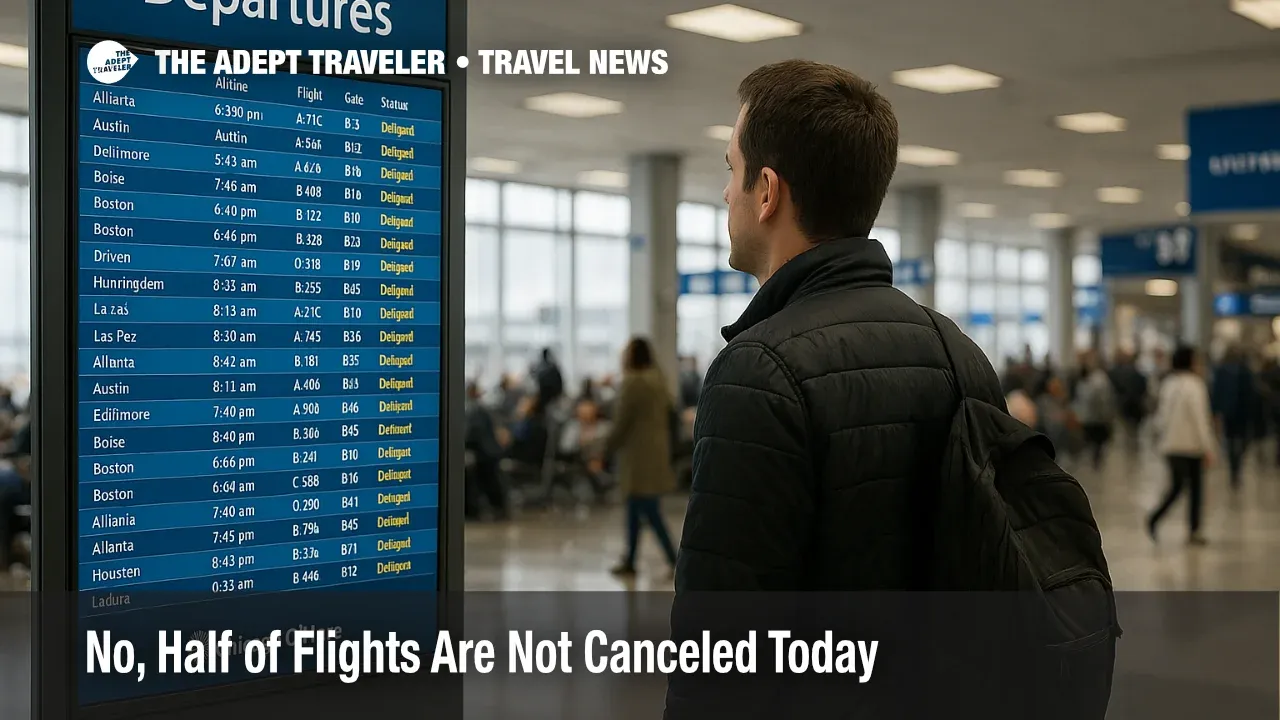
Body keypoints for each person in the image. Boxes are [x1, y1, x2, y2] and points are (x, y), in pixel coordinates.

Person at [674, 60, 1005, 592]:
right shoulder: (959, 352)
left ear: (767, 192)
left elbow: (723, 641)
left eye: (732, 169)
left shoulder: (760, 371)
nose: (725, 193)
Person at [591, 337, 678, 577]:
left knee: (648, 510)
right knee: (635, 508)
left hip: (638, 456)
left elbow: (621, 424)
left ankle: (675, 559)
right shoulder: (658, 381)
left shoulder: (632, 383)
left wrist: (604, 451)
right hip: (656, 452)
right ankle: (630, 560)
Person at [1148, 346, 1216, 545]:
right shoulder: (1196, 385)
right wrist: (1208, 447)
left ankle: (1159, 519)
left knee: (1178, 486)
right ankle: (1190, 529)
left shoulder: (1168, 384)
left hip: (1171, 445)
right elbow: (1200, 420)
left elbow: (1161, 417)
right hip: (1192, 446)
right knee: (1195, 489)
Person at [1211, 344, 1255, 490]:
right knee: (1235, 441)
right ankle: (1235, 469)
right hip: (1236, 412)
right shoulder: (1227, 371)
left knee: (1235, 441)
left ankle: (1235, 466)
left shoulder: (1243, 372)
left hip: (1237, 412)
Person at [463, 381, 508, 520]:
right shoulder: (479, 409)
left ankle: (473, 510)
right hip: (490, 452)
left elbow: (471, 435)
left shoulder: (473, 410)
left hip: (484, 453)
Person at [1075, 351, 1117, 469]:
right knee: (1094, 442)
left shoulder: (1098, 379)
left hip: (1095, 418)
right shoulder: (1090, 379)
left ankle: (1094, 461)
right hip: (1091, 417)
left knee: (1095, 441)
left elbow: (1103, 400)